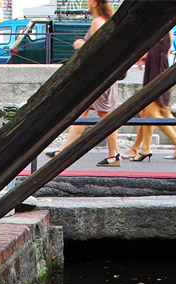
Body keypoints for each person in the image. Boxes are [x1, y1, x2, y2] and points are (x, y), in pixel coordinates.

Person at [46, 0, 122, 166]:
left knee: (104, 114)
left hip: (99, 77)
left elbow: (96, 50)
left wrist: (81, 44)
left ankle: (114, 154)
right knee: (82, 111)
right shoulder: (105, 21)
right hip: (100, 76)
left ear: (94, 3)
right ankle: (64, 150)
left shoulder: (97, 22)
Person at [121, 34, 176, 162]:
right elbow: (164, 47)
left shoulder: (163, 24)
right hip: (158, 64)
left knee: (151, 111)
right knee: (152, 110)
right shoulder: (167, 29)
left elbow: (161, 45)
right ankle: (143, 147)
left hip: (156, 66)